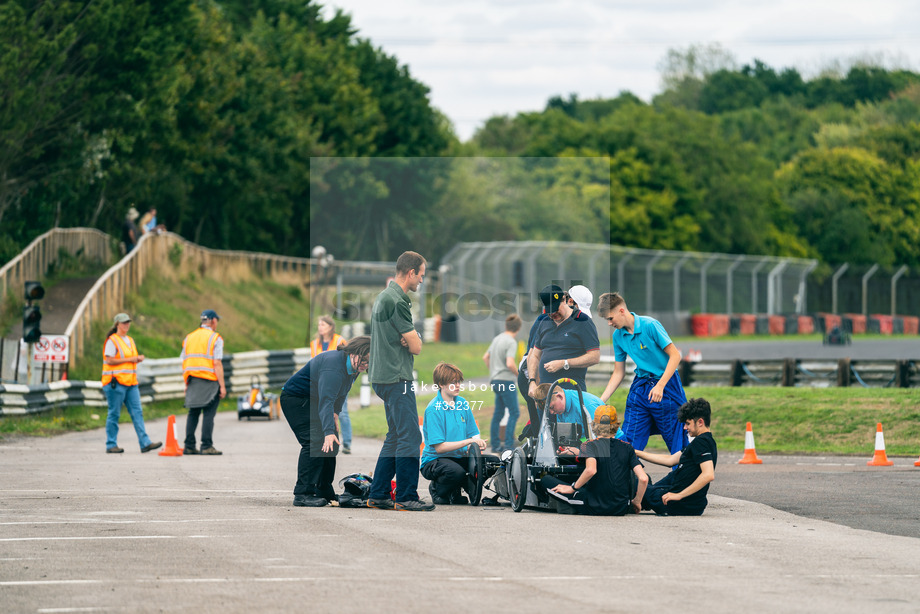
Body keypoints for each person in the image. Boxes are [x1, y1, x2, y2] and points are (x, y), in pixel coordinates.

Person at [365, 251, 434, 511]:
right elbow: (416, 347)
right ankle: (406, 496)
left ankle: (379, 493)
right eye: (421, 276)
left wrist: (411, 338)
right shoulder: (399, 300)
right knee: (410, 436)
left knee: (395, 435)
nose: (421, 281)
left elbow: (410, 340)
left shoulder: (384, 296)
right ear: (410, 273)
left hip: (382, 376)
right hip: (397, 377)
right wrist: (414, 337)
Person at [280, 336, 370, 507]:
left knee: (332, 444)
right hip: (296, 399)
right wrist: (328, 431)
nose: (365, 366)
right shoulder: (333, 368)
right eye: (364, 360)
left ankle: (323, 489)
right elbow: (326, 400)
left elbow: (342, 392)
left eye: (369, 362)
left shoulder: (354, 366)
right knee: (315, 442)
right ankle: (303, 493)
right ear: (353, 352)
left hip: (315, 400)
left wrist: (336, 414)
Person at [598, 291, 688, 454]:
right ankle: (627, 477)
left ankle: (683, 476)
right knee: (629, 440)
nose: (609, 323)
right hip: (641, 386)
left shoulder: (650, 325)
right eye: (607, 320)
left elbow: (675, 356)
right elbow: (619, 372)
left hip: (666, 384)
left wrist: (660, 386)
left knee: (677, 438)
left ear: (621, 311)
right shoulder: (618, 336)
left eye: (610, 318)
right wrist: (601, 400)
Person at [540, 405, 648, 516]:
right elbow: (643, 478)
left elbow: (591, 470)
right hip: (620, 508)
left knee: (545, 480)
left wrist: (572, 488)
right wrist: (637, 501)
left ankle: (571, 504)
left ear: (593, 425)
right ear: (617, 425)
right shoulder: (627, 447)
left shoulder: (589, 445)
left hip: (594, 506)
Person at [419, 363, 489, 505]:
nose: (457, 385)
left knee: (490, 464)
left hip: (459, 457)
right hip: (434, 460)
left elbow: (473, 433)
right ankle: (438, 489)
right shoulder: (433, 409)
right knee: (455, 472)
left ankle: (456, 488)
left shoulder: (462, 403)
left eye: (458, 382)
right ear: (441, 384)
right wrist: (468, 442)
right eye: (453, 382)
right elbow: (440, 448)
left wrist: (478, 443)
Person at [635, 398, 718, 516]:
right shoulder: (703, 442)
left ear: (700, 422)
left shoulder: (701, 443)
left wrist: (679, 495)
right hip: (689, 504)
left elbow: (708, 474)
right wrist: (637, 452)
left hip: (676, 504)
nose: (685, 427)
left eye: (688, 423)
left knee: (632, 482)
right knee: (645, 484)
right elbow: (670, 460)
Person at [526, 284, 600, 401]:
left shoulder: (583, 321)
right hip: (545, 395)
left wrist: (564, 363)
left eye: (556, 309)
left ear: (565, 300)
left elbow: (594, 357)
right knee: (543, 420)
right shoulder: (544, 321)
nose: (552, 314)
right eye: (549, 311)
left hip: (571, 393)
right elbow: (535, 355)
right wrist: (532, 382)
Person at [102, 313, 162, 454]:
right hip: (115, 383)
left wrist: (136, 359)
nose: (126, 325)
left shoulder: (130, 340)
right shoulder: (112, 340)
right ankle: (111, 444)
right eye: (123, 323)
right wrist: (132, 359)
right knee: (114, 414)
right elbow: (110, 360)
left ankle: (145, 443)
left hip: (130, 383)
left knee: (137, 413)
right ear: (117, 324)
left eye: (128, 322)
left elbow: (130, 359)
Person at [180, 309, 227, 455]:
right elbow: (217, 363)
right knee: (208, 413)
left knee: (193, 412)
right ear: (213, 321)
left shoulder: (189, 337)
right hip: (209, 380)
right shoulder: (215, 338)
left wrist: (186, 383)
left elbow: (184, 360)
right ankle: (206, 446)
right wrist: (222, 386)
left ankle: (189, 445)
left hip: (192, 379)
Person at [310, 316, 352, 454]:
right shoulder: (315, 343)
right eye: (319, 325)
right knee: (324, 409)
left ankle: (346, 443)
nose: (320, 327)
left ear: (330, 326)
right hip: (321, 383)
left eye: (323, 324)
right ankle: (326, 439)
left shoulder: (340, 340)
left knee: (342, 412)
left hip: (338, 381)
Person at [482, 313, 521, 453]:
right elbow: (510, 363)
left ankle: (496, 445)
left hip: (495, 380)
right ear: (519, 328)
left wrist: (493, 371)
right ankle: (509, 445)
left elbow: (485, 357)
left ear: (506, 325)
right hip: (506, 380)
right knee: (514, 412)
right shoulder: (511, 342)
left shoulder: (497, 338)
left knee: (498, 413)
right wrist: (520, 375)